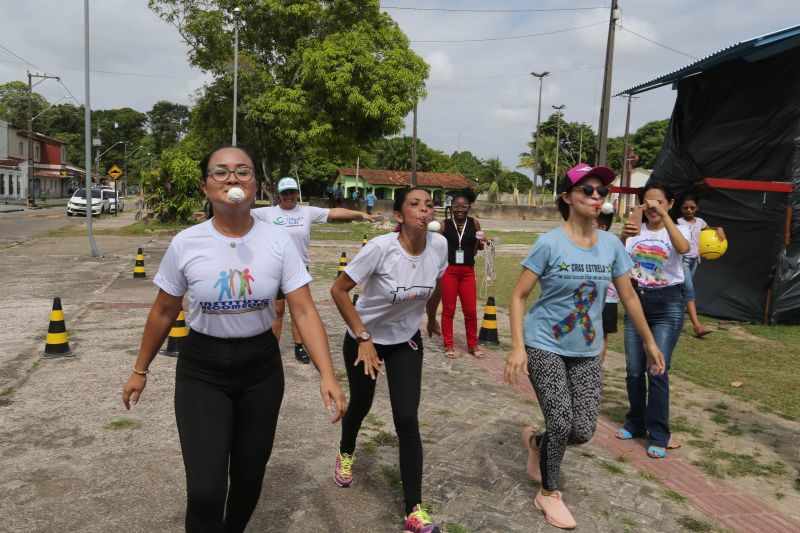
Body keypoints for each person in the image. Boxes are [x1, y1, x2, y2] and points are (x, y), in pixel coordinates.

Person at [122, 146, 346, 533]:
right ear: (205, 186)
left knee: (248, 480)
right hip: (202, 370)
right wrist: (140, 369)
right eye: (220, 172)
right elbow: (162, 311)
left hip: (260, 367)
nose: (232, 179)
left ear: (256, 184)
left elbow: (305, 311)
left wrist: (327, 374)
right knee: (207, 491)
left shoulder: (279, 242)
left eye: (243, 172)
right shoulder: (186, 243)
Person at [504, 164, 665, 530]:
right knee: (561, 420)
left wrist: (650, 342)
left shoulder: (611, 245)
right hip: (545, 343)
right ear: (567, 197)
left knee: (582, 430)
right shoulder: (549, 243)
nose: (596, 197)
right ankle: (548, 493)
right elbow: (518, 297)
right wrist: (517, 348)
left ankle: (536, 443)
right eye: (587, 191)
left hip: (587, 350)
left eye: (601, 192)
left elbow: (628, 296)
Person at [330, 187, 447, 533]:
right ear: (399, 216)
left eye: (429, 205)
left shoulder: (438, 246)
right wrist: (363, 337)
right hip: (364, 341)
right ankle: (346, 452)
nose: (424, 210)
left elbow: (436, 283)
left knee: (407, 418)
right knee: (362, 404)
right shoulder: (381, 249)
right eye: (415, 205)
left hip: (405, 340)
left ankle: (414, 510)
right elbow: (338, 291)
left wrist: (432, 316)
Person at [252, 177, 378, 363]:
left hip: (298, 269)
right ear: (279, 195)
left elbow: (334, 213)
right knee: (277, 311)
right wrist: (210, 214)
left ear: (297, 193)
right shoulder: (267, 213)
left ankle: (299, 346)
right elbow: (237, 212)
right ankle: (272, 349)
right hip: (274, 269)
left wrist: (360, 214)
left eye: (292, 192)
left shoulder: (307, 211)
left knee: (299, 310)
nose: (289, 196)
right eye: (285, 193)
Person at [617, 183, 690, 461]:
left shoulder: (679, 229)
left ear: (670, 203)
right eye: (647, 202)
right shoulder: (636, 230)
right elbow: (620, 261)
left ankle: (659, 433)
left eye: (659, 202)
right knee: (634, 369)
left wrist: (666, 216)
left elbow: (683, 248)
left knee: (656, 368)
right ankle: (635, 422)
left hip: (667, 304)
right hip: (637, 301)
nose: (652, 207)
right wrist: (623, 237)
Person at [437, 187, 485, 359]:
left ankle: (473, 345)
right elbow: (435, 246)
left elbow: (476, 249)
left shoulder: (475, 223)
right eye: (456, 206)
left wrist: (483, 242)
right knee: (449, 310)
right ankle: (448, 345)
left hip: (467, 272)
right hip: (449, 271)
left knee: (471, 311)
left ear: (469, 208)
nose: (460, 210)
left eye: (464, 207)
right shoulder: (444, 225)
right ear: (451, 207)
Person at [677, 194, 725, 338]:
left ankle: (674, 321)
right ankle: (697, 326)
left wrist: (719, 228)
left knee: (682, 292)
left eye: (692, 207)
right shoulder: (678, 223)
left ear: (697, 208)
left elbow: (710, 230)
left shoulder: (700, 222)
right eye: (686, 207)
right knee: (689, 291)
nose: (689, 210)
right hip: (682, 260)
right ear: (681, 208)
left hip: (694, 261)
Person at [596, 210, 617, 363]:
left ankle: (596, 369)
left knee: (601, 335)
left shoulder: (610, 245)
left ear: (602, 227)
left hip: (607, 299)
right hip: (598, 299)